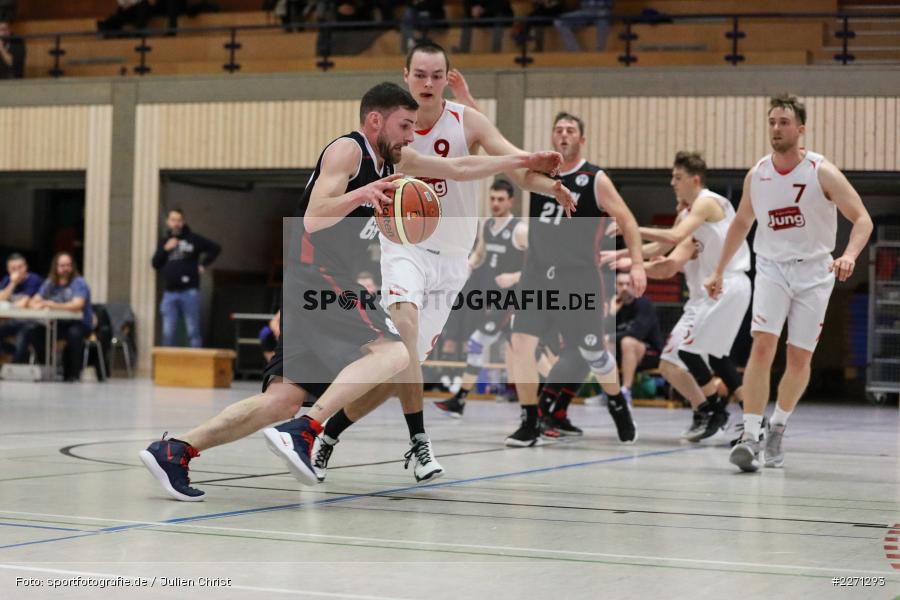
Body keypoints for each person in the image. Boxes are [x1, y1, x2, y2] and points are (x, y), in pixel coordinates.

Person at [138, 81, 562, 500]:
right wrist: (365, 191)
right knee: (396, 352)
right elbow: (313, 217)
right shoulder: (349, 150)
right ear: (375, 119)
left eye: (414, 127)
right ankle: (306, 431)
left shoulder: (392, 162)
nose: (411, 136)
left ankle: (176, 450)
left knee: (281, 400)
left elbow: (457, 168)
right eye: (404, 125)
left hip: (316, 278)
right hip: (316, 271)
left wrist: (524, 159)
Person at [306, 44, 575, 482]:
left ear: (448, 77)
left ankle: (329, 434)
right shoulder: (397, 134)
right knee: (404, 331)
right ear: (406, 75)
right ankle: (419, 441)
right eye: (420, 75)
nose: (427, 83)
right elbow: (460, 168)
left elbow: (509, 170)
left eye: (436, 75)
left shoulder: (467, 121)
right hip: (405, 247)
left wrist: (548, 184)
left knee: (400, 368)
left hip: (452, 261)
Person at [705, 94, 873, 472]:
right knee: (762, 346)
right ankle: (750, 434)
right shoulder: (758, 174)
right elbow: (741, 224)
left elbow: (862, 219)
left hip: (815, 272)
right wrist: (716, 270)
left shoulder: (821, 172)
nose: (777, 128)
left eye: (784, 122)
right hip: (772, 269)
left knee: (799, 358)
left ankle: (777, 426)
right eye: (772, 122)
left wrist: (848, 255)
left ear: (800, 129)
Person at [508, 111, 646, 446]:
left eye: (571, 130)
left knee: (593, 353)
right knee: (520, 343)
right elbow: (499, 148)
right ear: (553, 138)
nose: (564, 134)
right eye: (559, 130)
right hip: (538, 274)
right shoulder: (536, 174)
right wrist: (468, 101)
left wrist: (638, 264)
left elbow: (627, 220)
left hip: (578, 277)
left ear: (581, 139)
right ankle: (530, 420)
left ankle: (616, 401)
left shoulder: (594, 178)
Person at [638, 151, 751, 441]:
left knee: (690, 352)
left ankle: (715, 409)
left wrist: (630, 228)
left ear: (695, 180)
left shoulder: (706, 203)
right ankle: (744, 418)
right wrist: (619, 255)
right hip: (721, 287)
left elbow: (673, 242)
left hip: (725, 284)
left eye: (678, 178)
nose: (673, 184)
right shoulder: (694, 213)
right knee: (716, 357)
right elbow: (663, 251)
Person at [433, 179, 526, 417]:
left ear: (511, 201)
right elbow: (480, 253)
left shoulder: (520, 230)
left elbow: (540, 263)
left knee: (477, 342)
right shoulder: (486, 226)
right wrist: (468, 265)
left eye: (501, 200)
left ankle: (460, 399)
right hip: (496, 299)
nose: (495, 203)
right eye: (492, 199)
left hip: (514, 301)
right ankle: (547, 401)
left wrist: (515, 276)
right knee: (528, 353)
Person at [151, 208, 220, 348]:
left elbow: (215, 248)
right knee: (168, 332)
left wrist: (203, 264)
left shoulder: (193, 239)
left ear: (183, 222)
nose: (176, 223)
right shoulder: (165, 241)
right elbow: (155, 263)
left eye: (179, 220)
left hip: (190, 292)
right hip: (170, 292)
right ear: (168, 222)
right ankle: (167, 366)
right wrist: (165, 249)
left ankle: (196, 366)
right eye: (173, 220)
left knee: (192, 330)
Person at [23, 253, 92, 382]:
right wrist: (38, 304)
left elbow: (77, 304)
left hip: (79, 323)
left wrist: (52, 305)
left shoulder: (79, 282)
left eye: (68, 265)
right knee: (33, 332)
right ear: (56, 267)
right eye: (62, 265)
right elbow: (34, 301)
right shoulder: (50, 282)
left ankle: (72, 374)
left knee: (74, 334)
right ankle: (46, 367)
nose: (65, 268)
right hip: (57, 324)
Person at [609, 270, 662, 403]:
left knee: (627, 342)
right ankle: (609, 392)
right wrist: (610, 315)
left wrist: (609, 337)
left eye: (628, 284)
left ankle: (626, 391)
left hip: (650, 353)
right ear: (615, 286)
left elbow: (637, 333)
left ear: (634, 286)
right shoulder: (613, 304)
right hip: (622, 353)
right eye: (621, 284)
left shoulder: (644, 304)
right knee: (606, 343)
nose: (625, 288)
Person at [0, 253, 44, 362]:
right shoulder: (7, 280)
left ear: (26, 267)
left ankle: (16, 366)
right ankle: (11, 356)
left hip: (33, 322)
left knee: (22, 334)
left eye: (20, 267)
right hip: (14, 321)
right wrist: (13, 283)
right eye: (13, 268)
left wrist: (8, 304)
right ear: (8, 270)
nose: (17, 271)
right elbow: (1, 299)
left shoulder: (34, 279)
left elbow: (23, 304)